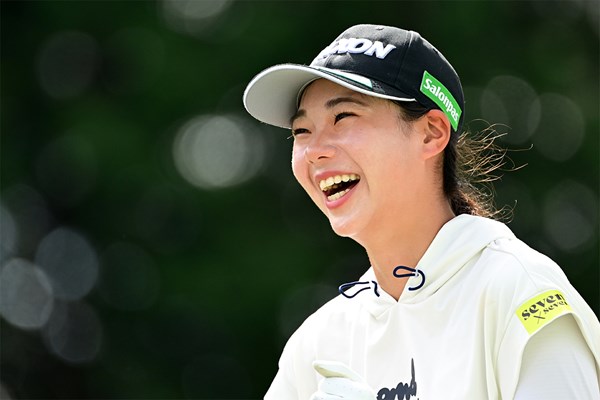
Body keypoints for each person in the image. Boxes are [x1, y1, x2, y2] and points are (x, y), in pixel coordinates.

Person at [243, 24, 600, 400]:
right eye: (301, 131)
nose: (315, 150)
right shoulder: (318, 343)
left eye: (344, 117)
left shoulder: (521, 291)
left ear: (431, 133)